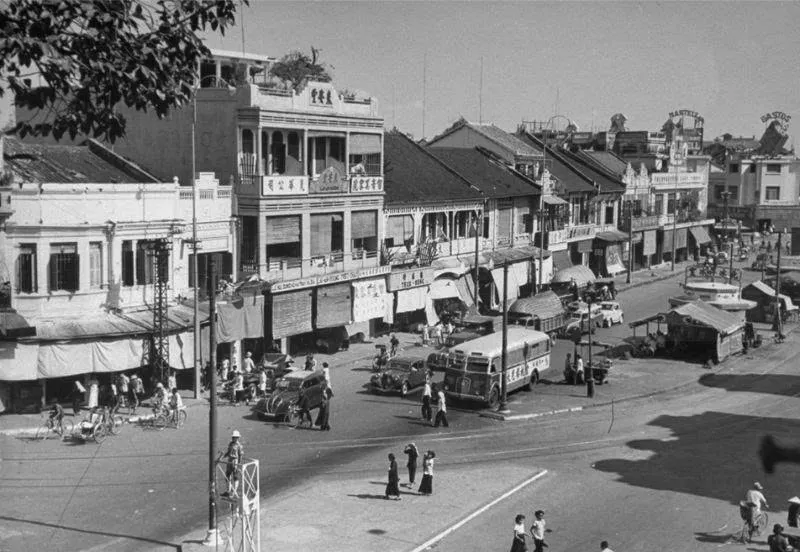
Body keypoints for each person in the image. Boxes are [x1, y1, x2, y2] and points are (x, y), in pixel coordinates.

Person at [221, 430, 243, 497]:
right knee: (227, 475)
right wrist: (223, 456)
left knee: (235, 476)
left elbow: (240, 455)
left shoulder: (239, 446)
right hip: (229, 460)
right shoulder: (230, 444)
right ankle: (228, 491)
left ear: (237, 438)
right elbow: (228, 452)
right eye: (233, 437)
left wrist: (238, 464)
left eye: (235, 437)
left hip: (235, 461)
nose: (233, 438)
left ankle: (234, 492)